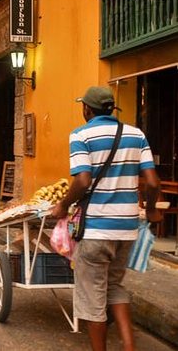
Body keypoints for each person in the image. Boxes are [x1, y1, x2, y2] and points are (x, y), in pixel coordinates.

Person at [51, 86, 161, 351]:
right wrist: (152, 208)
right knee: (115, 286)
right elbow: (153, 182)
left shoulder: (81, 134)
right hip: (126, 228)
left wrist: (64, 205)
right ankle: (129, 347)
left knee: (92, 297)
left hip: (96, 230)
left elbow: (83, 179)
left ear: (87, 109)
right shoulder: (136, 134)